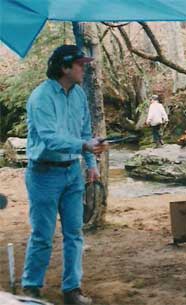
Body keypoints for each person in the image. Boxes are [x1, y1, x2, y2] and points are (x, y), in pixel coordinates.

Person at [21, 45, 108, 305]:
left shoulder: (79, 94)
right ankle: (31, 288)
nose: (85, 68)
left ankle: (72, 290)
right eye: (81, 64)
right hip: (43, 174)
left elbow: (85, 132)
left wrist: (90, 163)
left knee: (75, 233)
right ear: (65, 67)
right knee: (42, 235)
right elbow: (49, 138)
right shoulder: (41, 97)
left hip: (72, 173)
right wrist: (84, 146)